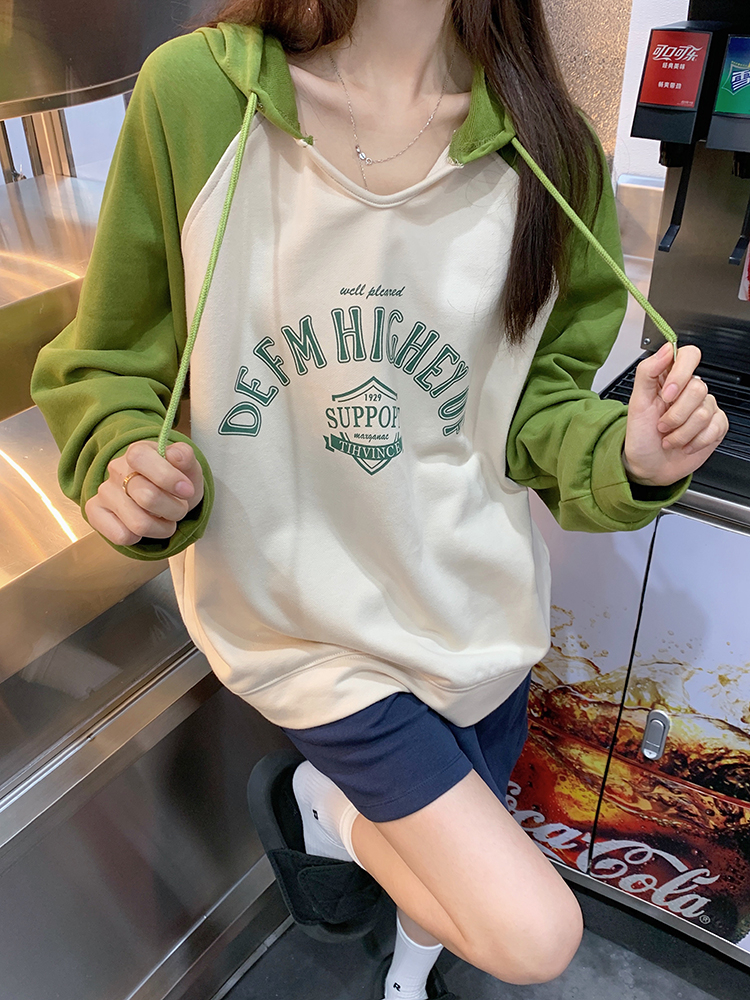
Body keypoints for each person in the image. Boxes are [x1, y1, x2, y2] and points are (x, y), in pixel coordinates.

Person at [31, 1, 729, 997]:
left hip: (476, 612)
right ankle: (328, 807)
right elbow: (111, 360)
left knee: (440, 886)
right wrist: (123, 457)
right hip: (309, 625)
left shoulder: (548, 148)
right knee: (530, 934)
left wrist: (633, 450)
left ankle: (400, 973)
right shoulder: (200, 97)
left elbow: (537, 413)